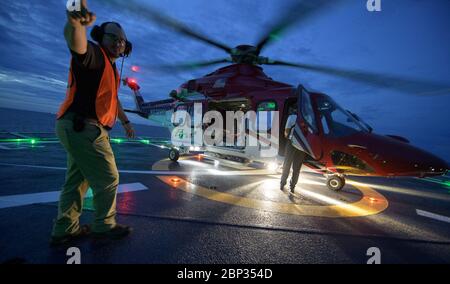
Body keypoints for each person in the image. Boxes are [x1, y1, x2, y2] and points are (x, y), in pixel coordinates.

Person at [51, 0, 135, 245]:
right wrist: (75, 23)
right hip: (85, 128)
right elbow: (77, 46)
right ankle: (104, 225)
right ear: (101, 37)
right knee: (108, 179)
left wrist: (126, 122)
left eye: (122, 41)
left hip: (74, 127)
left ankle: (65, 229)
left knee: (77, 181)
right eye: (114, 38)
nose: (119, 43)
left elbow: (113, 100)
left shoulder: (109, 68)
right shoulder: (94, 56)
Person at [280, 108, 306, 193]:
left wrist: (287, 137)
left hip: (291, 143)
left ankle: (282, 183)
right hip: (302, 145)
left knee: (287, 164)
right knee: (297, 168)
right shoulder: (308, 118)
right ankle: (292, 186)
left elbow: (286, 131)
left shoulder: (291, 117)